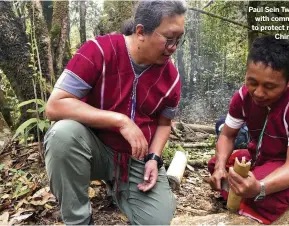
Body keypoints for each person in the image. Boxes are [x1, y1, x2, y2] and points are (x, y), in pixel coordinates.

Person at [43, 1, 187, 225]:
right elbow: (55, 106)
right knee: (62, 134)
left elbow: (164, 123)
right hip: (93, 149)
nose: (174, 47)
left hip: (135, 159)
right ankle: (79, 220)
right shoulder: (98, 50)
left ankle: (121, 189)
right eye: (169, 38)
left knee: (158, 221)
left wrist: (154, 158)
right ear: (141, 32)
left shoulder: (171, 77)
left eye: (179, 39)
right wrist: (119, 120)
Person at [208, 35, 289, 224]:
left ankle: (247, 198)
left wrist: (259, 187)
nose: (258, 93)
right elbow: (227, 135)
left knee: (258, 190)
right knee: (217, 164)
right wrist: (219, 168)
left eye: (269, 86)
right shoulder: (243, 96)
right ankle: (243, 195)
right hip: (263, 158)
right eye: (252, 82)